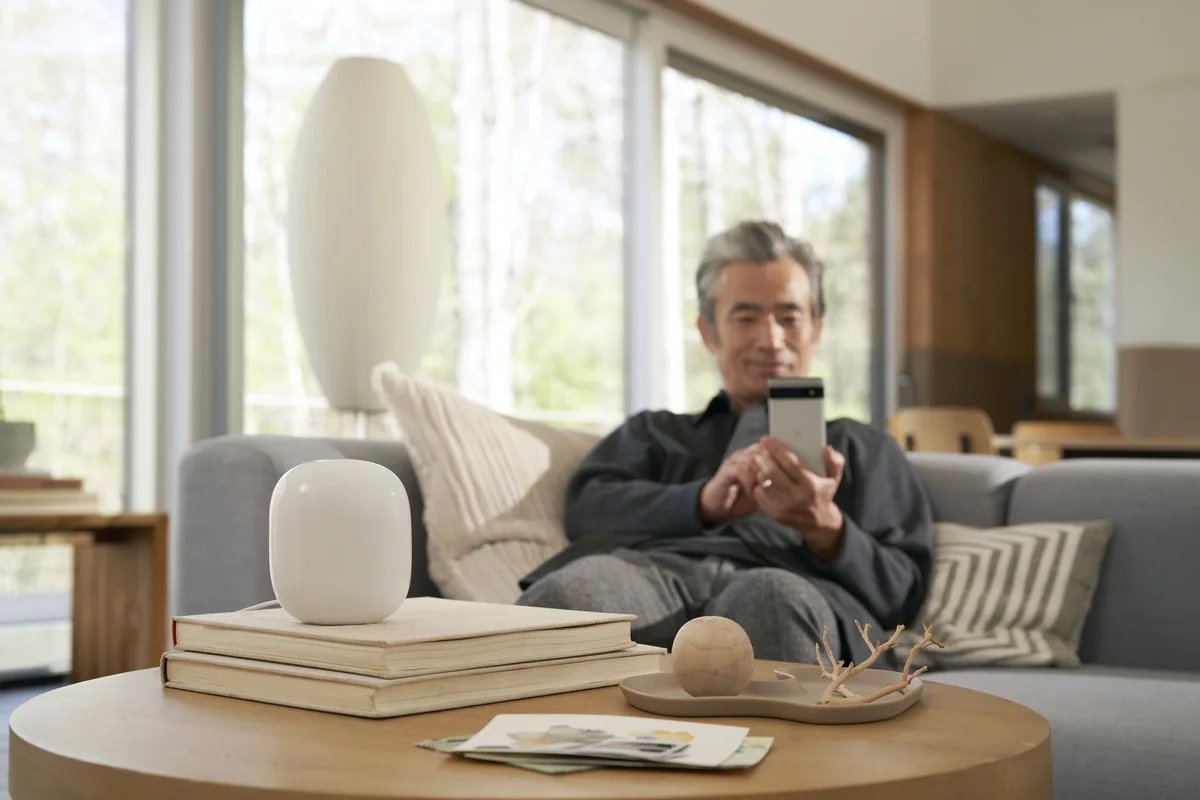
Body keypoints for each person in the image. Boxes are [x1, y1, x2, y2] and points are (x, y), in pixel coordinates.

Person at [517, 221, 932, 667]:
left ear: (817, 329)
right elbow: (587, 508)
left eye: (790, 317)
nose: (771, 339)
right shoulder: (656, 432)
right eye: (746, 317)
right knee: (569, 595)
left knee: (767, 598)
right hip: (655, 574)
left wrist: (827, 528)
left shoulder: (862, 446)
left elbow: (902, 593)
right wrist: (701, 503)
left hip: (795, 583)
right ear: (708, 331)